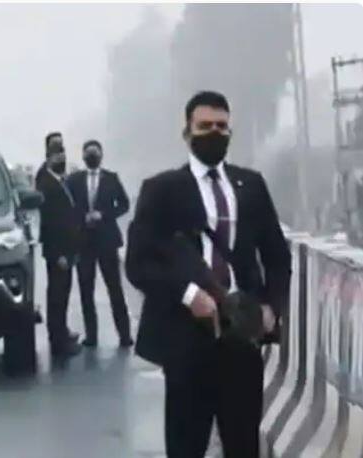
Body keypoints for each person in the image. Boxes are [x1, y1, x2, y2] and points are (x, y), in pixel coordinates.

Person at [125, 91, 291, 458]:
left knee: (243, 443)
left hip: (240, 335)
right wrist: (188, 295)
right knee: (187, 445)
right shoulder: (162, 190)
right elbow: (138, 264)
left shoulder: (251, 185)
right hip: (185, 335)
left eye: (221, 126)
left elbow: (278, 256)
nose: (214, 133)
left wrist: (270, 307)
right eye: (204, 126)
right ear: (187, 133)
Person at [67, 140, 133, 348]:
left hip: (107, 241)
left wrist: (103, 215)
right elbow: (67, 208)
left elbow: (124, 204)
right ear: (83, 156)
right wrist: (82, 218)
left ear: (101, 155)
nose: (92, 156)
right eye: (88, 153)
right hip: (83, 242)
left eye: (95, 153)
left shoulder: (111, 178)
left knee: (115, 289)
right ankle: (91, 336)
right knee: (86, 291)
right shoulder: (74, 180)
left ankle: (125, 335)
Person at [35, 132, 82, 357]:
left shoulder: (60, 179)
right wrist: (59, 253)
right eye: (56, 154)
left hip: (67, 249)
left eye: (63, 152)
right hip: (58, 251)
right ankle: (58, 342)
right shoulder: (45, 183)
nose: (61, 157)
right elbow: (50, 224)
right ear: (48, 157)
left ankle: (62, 331)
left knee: (63, 295)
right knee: (57, 296)